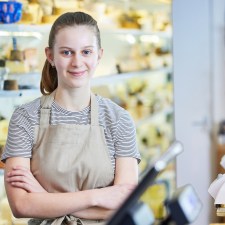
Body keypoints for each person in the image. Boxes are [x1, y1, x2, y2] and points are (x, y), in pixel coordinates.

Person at [1, 11, 141, 225]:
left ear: (99, 55)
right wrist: (97, 196)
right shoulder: (25, 118)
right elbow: (21, 206)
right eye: (67, 52)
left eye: (86, 52)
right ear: (50, 56)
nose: (77, 62)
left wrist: (44, 199)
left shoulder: (118, 119)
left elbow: (126, 205)